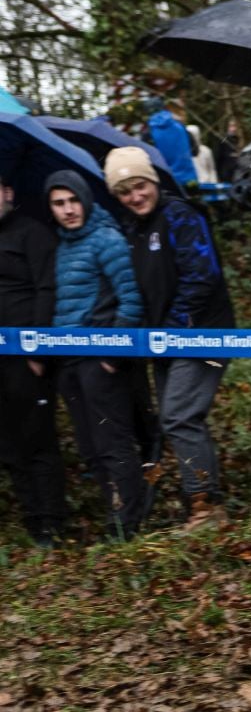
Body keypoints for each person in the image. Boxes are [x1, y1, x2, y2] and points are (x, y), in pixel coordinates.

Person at [104, 146, 236, 532]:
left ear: (153, 182)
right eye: (125, 191)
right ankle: (198, 497)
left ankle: (206, 506)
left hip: (201, 333)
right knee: (176, 417)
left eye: (140, 185)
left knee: (178, 415)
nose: (135, 196)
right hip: (162, 338)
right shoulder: (130, 228)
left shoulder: (181, 216)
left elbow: (202, 274)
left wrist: (174, 324)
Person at [47, 171, 147, 540]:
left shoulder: (107, 240)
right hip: (67, 359)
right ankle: (115, 509)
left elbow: (132, 299)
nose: (68, 210)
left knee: (112, 442)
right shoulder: (61, 245)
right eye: (59, 204)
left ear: (86, 200)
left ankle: (128, 519)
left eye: (73, 201)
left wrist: (112, 354)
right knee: (89, 447)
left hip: (100, 357)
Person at [0, 172, 66, 546]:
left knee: (37, 437)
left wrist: (39, 348)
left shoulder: (34, 233)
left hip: (27, 355)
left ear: (7, 192)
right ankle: (31, 517)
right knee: (7, 443)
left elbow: (47, 288)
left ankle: (52, 520)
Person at [142, 97, 197, 187]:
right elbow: (195, 151)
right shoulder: (180, 126)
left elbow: (146, 160)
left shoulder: (148, 133)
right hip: (190, 181)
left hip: (167, 183)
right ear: (163, 108)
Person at [213, 119, 241, 183]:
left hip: (236, 174)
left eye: (235, 126)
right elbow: (218, 157)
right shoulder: (223, 140)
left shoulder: (237, 140)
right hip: (225, 173)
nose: (233, 129)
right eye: (231, 126)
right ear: (228, 127)